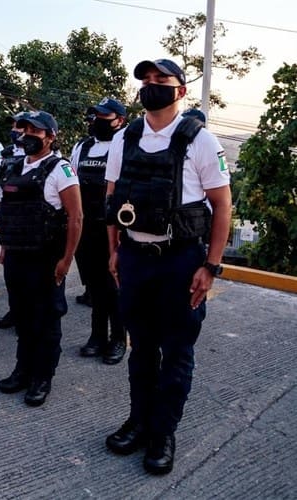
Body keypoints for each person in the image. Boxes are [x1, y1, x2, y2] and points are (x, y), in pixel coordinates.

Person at [104, 59, 231, 475]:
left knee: (176, 350)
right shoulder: (125, 137)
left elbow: (222, 204)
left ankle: (163, 432)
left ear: (180, 91)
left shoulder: (200, 140)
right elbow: (112, 197)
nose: (151, 86)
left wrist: (211, 265)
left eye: (162, 80)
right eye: (146, 80)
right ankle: (139, 421)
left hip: (181, 260)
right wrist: (115, 250)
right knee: (140, 348)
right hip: (136, 257)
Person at [0, 111, 82, 407]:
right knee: (22, 316)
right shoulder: (14, 167)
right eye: (25, 129)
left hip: (46, 258)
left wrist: (66, 260)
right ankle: (23, 369)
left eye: (36, 131)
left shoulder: (61, 169)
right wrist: (5, 245)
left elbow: (76, 217)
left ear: (51, 136)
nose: (28, 135)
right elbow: (8, 211)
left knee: (46, 319)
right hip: (17, 255)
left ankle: (42, 378)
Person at [71, 98, 128, 364]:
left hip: (114, 229)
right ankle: (97, 337)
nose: (98, 121)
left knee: (115, 286)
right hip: (87, 228)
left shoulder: (127, 146)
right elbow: (71, 186)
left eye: (104, 116)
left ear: (120, 120)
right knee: (94, 285)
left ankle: (118, 339)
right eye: (95, 116)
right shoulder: (82, 147)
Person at [0, 113, 26, 330]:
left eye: (19, 127)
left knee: (31, 278)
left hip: (31, 221)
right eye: (13, 126)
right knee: (12, 275)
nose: (15, 130)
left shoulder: (47, 157)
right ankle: (15, 311)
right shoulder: (6, 154)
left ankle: (27, 315)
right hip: (9, 218)